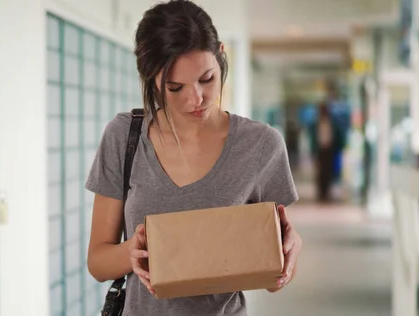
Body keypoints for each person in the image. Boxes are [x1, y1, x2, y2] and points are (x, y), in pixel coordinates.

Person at [85, 1, 302, 315]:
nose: (196, 99)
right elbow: (98, 263)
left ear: (221, 55)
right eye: (175, 87)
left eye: (207, 79)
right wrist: (131, 253)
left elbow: (274, 277)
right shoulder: (124, 137)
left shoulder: (261, 145)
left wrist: (291, 252)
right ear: (152, 81)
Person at [309, 103, 337, 201]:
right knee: (320, 172)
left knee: (328, 172)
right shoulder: (316, 123)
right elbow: (313, 138)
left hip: (329, 151)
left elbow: (336, 137)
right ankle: (321, 192)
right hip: (320, 151)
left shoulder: (332, 123)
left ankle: (327, 192)